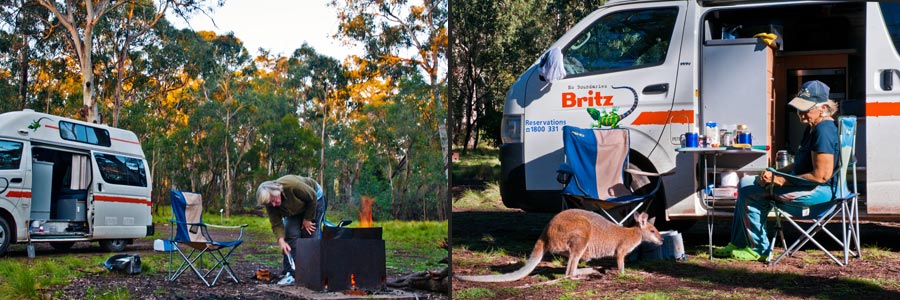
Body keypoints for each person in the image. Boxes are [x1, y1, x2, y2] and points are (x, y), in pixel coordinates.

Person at [713, 80, 842, 261]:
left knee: (751, 191)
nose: (800, 114)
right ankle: (740, 243)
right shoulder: (813, 128)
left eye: (805, 109)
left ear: (823, 108)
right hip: (807, 186)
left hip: (818, 193)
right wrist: (775, 172)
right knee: (747, 182)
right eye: (799, 108)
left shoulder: (824, 131)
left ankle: (758, 249)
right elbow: (799, 165)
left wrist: (780, 180)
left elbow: (821, 176)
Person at [256, 175, 322, 284]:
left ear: (277, 191)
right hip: (293, 209)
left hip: (314, 199)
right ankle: (292, 272)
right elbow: (276, 223)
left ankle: (313, 272)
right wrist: (281, 241)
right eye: (270, 203)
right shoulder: (270, 202)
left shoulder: (293, 186)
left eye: (273, 200)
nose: (273, 204)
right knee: (290, 233)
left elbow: (312, 198)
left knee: (309, 233)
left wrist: (307, 219)